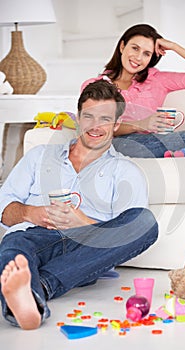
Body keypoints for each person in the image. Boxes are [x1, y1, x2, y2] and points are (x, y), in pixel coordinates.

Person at [0, 79, 158, 330]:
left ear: (117, 124)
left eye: (105, 119)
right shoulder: (39, 156)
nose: (95, 126)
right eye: (89, 117)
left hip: (85, 249)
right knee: (15, 244)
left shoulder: (125, 170)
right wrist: (31, 213)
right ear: (77, 118)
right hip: (34, 238)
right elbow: (4, 211)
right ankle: (29, 300)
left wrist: (83, 223)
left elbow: (130, 232)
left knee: (145, 221)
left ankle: (34, 291)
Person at [81, 23, 185, 158]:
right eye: (135, 48)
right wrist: (141, 124)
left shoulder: (157, 79)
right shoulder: (96, 85)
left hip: (155, 140)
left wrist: (175, 47)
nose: (138, 58)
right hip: (121, 145)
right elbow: (96, 126)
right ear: (122, 47)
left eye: (146, 53)